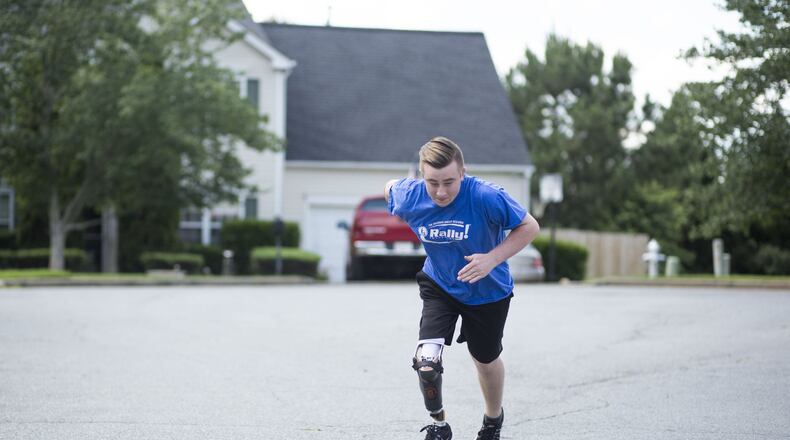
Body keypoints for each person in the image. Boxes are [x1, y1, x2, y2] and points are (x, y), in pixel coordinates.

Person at [384, 136, 540, 440]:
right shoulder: (410, 195)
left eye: (449, 182)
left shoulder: (485, 196)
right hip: (440, 284)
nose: (441, 192)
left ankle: (492, 420)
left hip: (488, 290)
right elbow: (390, 185)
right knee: (426, 361)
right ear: (422, 177)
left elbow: (529, 226)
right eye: (433, 183)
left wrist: (492, 259)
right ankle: (439, 425)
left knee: (485, 360)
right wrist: (410, 191)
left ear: (463, 173)